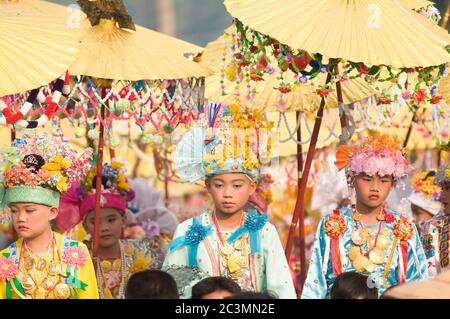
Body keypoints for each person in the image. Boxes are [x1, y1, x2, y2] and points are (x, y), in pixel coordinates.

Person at [164, 109, 296, 299]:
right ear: (207, 185)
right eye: (219, 185)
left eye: (237, 185)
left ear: (252, 187)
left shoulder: (264, 231)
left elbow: (281, 290)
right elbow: (174, 291)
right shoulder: (187, 231)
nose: (227, 194)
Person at [302, 135, 428, 299]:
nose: (375, 187)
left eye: (383, 180)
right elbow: (316, 282)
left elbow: (417, 284)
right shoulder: (332, 224)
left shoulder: (403, 227)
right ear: (352, 179)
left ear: (393, 184)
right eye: (367, 179)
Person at [0, 132, 98, 299]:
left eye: (29, 210)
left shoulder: (74, 251)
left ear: (53, 212)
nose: (20, 218)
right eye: (14, 210)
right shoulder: (6, 258)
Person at [57, 161, 166, 299]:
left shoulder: (143, 253)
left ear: (124, 220)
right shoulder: (75, 259)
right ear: (84, 226)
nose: (104, 228)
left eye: (111, 220)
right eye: (95, 221)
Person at [420, 165, 450, 276]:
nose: (442, 196)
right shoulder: (433, 228)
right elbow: (429, 273)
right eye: (442, 188)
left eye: (448, 188)